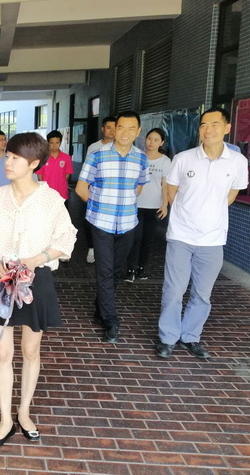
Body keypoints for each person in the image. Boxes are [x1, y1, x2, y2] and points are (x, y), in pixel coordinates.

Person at [0, 132, 76, 450]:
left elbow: (66, 238)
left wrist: (36, 259)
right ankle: (5, 419)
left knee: (31, 351)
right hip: (1, 280)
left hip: (37, 280)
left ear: (34, 164)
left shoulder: (50, 199)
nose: (7, 162)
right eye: (7, 156)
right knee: (2, 353)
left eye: (15, 158)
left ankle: (24, 412)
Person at [156, 108, 248, 360]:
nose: (208, 129)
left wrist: (208, 213)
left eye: (215, 124)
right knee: (174, 291)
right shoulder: (184, 158)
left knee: (202, 293)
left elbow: (230, 197)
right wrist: (187, 214)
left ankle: (190, 336)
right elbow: (171, 192)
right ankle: (168, 337)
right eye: (204, 124)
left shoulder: (237, 162)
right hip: (181, 236)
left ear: (227, 128)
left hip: (213, 239)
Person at [76, 111, 148, 344]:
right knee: (105, 271)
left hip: (128, 223)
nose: (125, 133)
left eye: (131, 128)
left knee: (117, 271)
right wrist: (98, 207)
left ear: (138, 131)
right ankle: (111, 319)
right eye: (121, 127)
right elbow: (81, 188)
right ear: (114, 129)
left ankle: (100, 306)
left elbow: (138, 188)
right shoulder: (97, 155)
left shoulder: (141, 158)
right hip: (101, 223)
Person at [125, 128, 171, 282]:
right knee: (135, 238)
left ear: (162, 142)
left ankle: (141, 268)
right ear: (145, 139)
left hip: (154, 206)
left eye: (156, 140)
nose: (152, 142)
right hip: (135, 205)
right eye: (149, 138)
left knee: (148, 240)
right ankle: (130, 269)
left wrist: (165, 204)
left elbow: (165, 185)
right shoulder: (137, 156)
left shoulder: (165, 161)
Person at [82, 116, 116, 264]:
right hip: (95, 192)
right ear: (102, 129)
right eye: (108, 127)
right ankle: (91, 248)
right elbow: (87, 171)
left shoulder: (122, 148)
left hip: (113, 194)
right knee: (90, 222)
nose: (112, 131)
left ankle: (108, 251)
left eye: (115, 128)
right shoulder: (94, 148)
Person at [35, 130, 74, 202]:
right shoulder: (42, 157)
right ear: (47, 143)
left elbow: (67, 175)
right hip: (46, 193)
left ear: (60, 142)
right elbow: (40, 176)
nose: (54, 146)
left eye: (57, 143)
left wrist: (60, 183)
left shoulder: (66, 158)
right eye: (51, 143)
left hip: (61, 193)